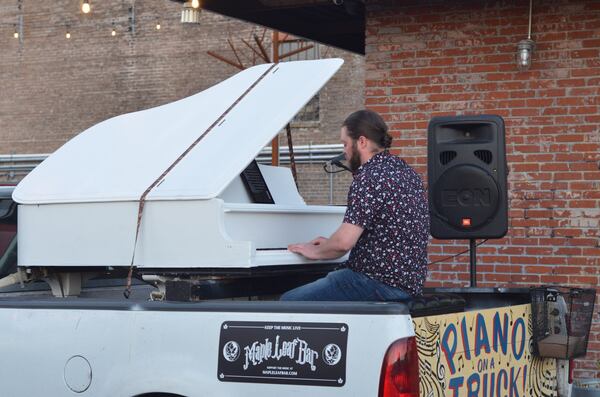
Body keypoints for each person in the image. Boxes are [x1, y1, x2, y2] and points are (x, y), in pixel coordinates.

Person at [280, 109, 429, 301]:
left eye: (345, 144)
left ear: (362, 142)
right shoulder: (406, 172)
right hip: (407, 284)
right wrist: (329, 245)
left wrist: (315, 251)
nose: (344, 151)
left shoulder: (369, 176)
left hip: (377, 283)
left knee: (288, 302)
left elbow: (343, 243)